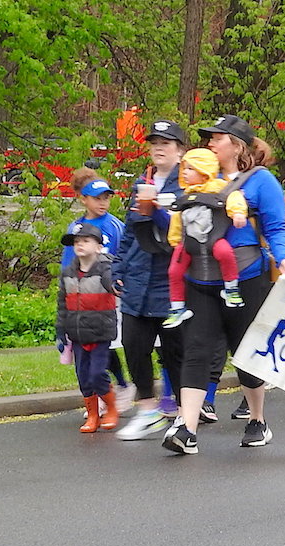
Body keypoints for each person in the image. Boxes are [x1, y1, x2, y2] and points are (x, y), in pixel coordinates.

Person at [160, 114, 285, 457]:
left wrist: (282, 259)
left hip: (245, 276)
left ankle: (257, 419)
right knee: (196, 347)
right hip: (200, 276)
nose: (209, 142)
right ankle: (186, 428)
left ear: (236, 145)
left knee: (245, 351)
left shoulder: (260, 181)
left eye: (216, 138)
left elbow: (276, 227)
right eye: (208, 138)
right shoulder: (198, 176)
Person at [113, 119, 187, 441]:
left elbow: (188, 232)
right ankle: (147, 410)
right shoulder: (139, 183)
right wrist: (117, 267)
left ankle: (186, 415)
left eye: (166, 143)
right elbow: (129, 231)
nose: (158, 148)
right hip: (137, 278)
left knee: (175, 351)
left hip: (170, 279)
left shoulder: (189, 186)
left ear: (180, 151)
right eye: (154, 142)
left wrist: (160, 210)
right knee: (134, 345)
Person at [164, 148, 249, 316]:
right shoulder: (186, 195)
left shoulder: (219, 188)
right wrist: (174, 240)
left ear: (204, 172)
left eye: (190, 169)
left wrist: (238, 213)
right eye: (184, 169)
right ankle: (177, 306)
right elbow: (177, 219)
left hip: (214, 238)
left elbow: (235, 198)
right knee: (174, 271)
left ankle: (231, 288)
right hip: (189, 243)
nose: (185, 173)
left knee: (225, 253)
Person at [56, 223, 121, 433]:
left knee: (97, 374)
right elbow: (62, 304)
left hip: (100, 332)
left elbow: (112, 283)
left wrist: (116, 286)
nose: (80, 245)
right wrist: (60, 331)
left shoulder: (105, 269)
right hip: (76, 335)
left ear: (99, 246)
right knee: (83, 377)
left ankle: (111, 408)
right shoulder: (68, 273)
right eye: (76, 242)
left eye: (86, 241)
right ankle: (92, 414)